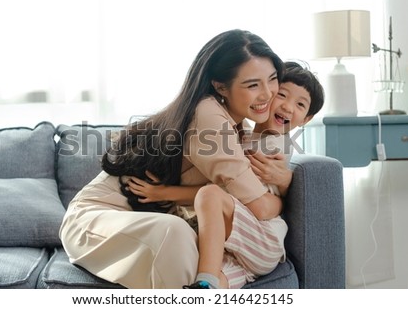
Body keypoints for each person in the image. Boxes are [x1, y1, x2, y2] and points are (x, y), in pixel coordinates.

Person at [59, 29, 287, 289]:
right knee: (177, 235)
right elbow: (258, 206)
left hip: (144, 222)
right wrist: (283, 198)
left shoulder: (238, 129)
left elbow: (225, 197)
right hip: (93, 221)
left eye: (272, 79)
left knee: (192, 246)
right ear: (220, 85)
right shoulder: (208, 115)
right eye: (253, 85)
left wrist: (285, 177)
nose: (268, 94)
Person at [127, 61, 325, 288]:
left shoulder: (273, 146)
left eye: (300, 104)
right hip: (241, 248)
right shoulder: (244, 136)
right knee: (214, 283)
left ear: (306, 119)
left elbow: (237, 196)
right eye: (282, 95)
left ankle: (206, 280)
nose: (288, 107)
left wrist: (165, 193)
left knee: (210, 195)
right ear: (267, 95)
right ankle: (209, 283)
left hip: (262, 238)